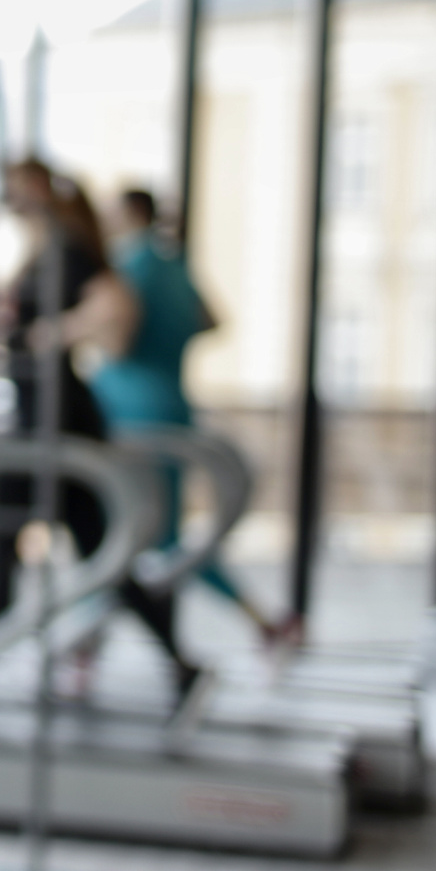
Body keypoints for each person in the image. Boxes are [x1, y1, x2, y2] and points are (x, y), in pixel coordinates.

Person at [0, 160, 202, 692]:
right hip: (46, 415)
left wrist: (53, 335)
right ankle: (181, 664)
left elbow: (116, 307)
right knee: (101, 550)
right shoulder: (46, 247)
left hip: (54, 420)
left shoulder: (68, 249)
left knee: (2, 512)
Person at [92, 190, 297, 645]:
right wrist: (170, 338)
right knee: (160, 533)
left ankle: (85, 637)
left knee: (129, 530)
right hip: (171, 401)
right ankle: (261, 621)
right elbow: (211, 320)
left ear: (131, 215)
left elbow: (118, 338)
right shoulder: (173, 265)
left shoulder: (128, 267)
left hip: (131, 408)